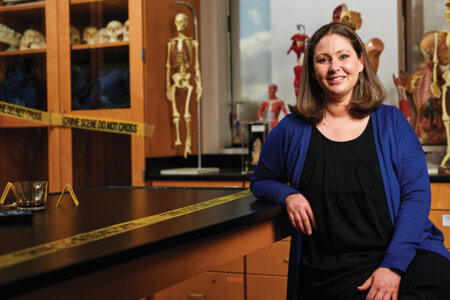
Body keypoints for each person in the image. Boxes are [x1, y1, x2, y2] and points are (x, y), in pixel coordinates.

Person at [250, 22, 450, 300]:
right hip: (331, 269)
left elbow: (416, 195)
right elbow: (260, 181)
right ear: (312, 69)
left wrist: (393, 267)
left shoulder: (392, 122)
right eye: (323, 59)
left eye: (343, 56)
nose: (335, 67)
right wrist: (287, 195)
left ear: (360, 62)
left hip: (404, 253)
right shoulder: (290, 130)